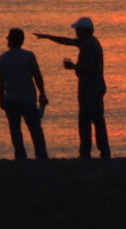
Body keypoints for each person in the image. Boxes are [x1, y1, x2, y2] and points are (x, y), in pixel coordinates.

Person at [34, 17, 109, 159]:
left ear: (82, 30)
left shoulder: (87, 45)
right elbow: (67, 41)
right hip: (97, 87)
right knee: (98, 120)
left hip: (90, 88)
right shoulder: (90, 41)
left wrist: (73, 66)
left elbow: (89, 68)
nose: (75, 31)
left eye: (77, 29)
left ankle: (86, 153)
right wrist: (48, 37)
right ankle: (104, 152)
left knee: (86, 121)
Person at [0, 28, 50, 160]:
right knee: (35, 129)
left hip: (11, 99)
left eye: (8, 38)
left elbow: (0, 82)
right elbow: (37, 76)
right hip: (27, 99)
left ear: (11, 40)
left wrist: (1, 99)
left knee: (15, 130)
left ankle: (20, 155)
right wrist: (42, 93)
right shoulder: (28, 56)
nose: (7, 40)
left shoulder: (3, 58)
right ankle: (41, 154)